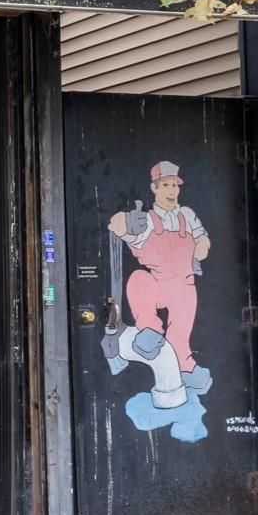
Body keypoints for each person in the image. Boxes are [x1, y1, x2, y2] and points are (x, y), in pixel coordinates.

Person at [107, 160, 210, 381]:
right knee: (138, 280)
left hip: (184, 286)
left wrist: (200, 248)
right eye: (166, 185)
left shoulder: (188, 216)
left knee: (180, 335)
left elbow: (203, 241)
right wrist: (122, 223)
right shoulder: (147, 220)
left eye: (175, 185)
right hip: (159, 283)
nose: (172, 191)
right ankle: (149, 332)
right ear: (154, 187)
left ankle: (187, 370)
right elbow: (120, 226)